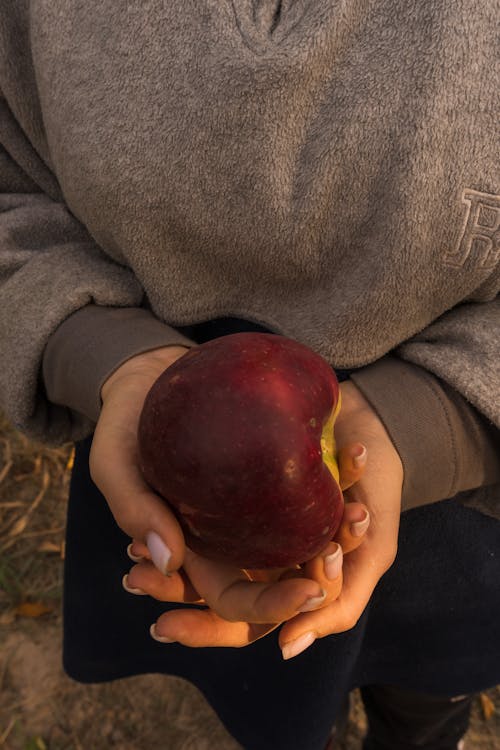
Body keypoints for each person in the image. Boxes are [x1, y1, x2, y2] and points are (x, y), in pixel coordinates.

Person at [0, 3, 498, 749]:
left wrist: (437, 420)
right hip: (181, 485)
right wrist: (101, 350)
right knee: (284, 695)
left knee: (429, 692)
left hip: (462, 519)